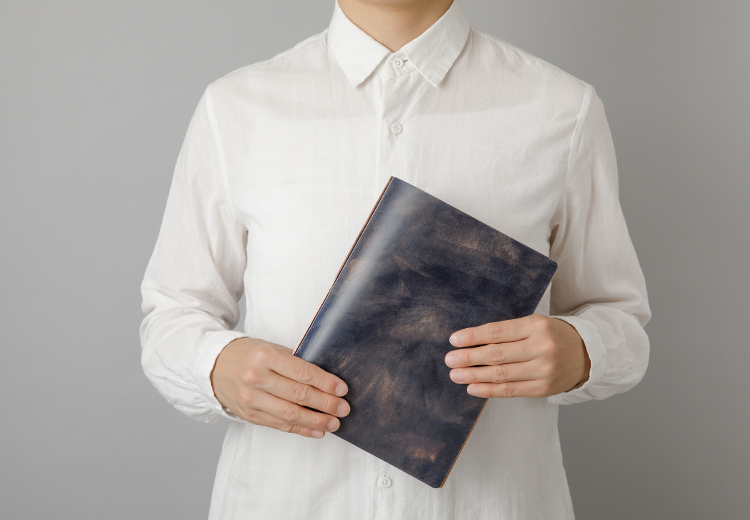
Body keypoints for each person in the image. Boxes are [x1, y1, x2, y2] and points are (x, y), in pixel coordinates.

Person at [139, 0, 650, 518]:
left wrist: (583, 351)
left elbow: (620, 318)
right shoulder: (236, 108)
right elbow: (172, 315)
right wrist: (215, 366)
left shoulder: (562, 108)